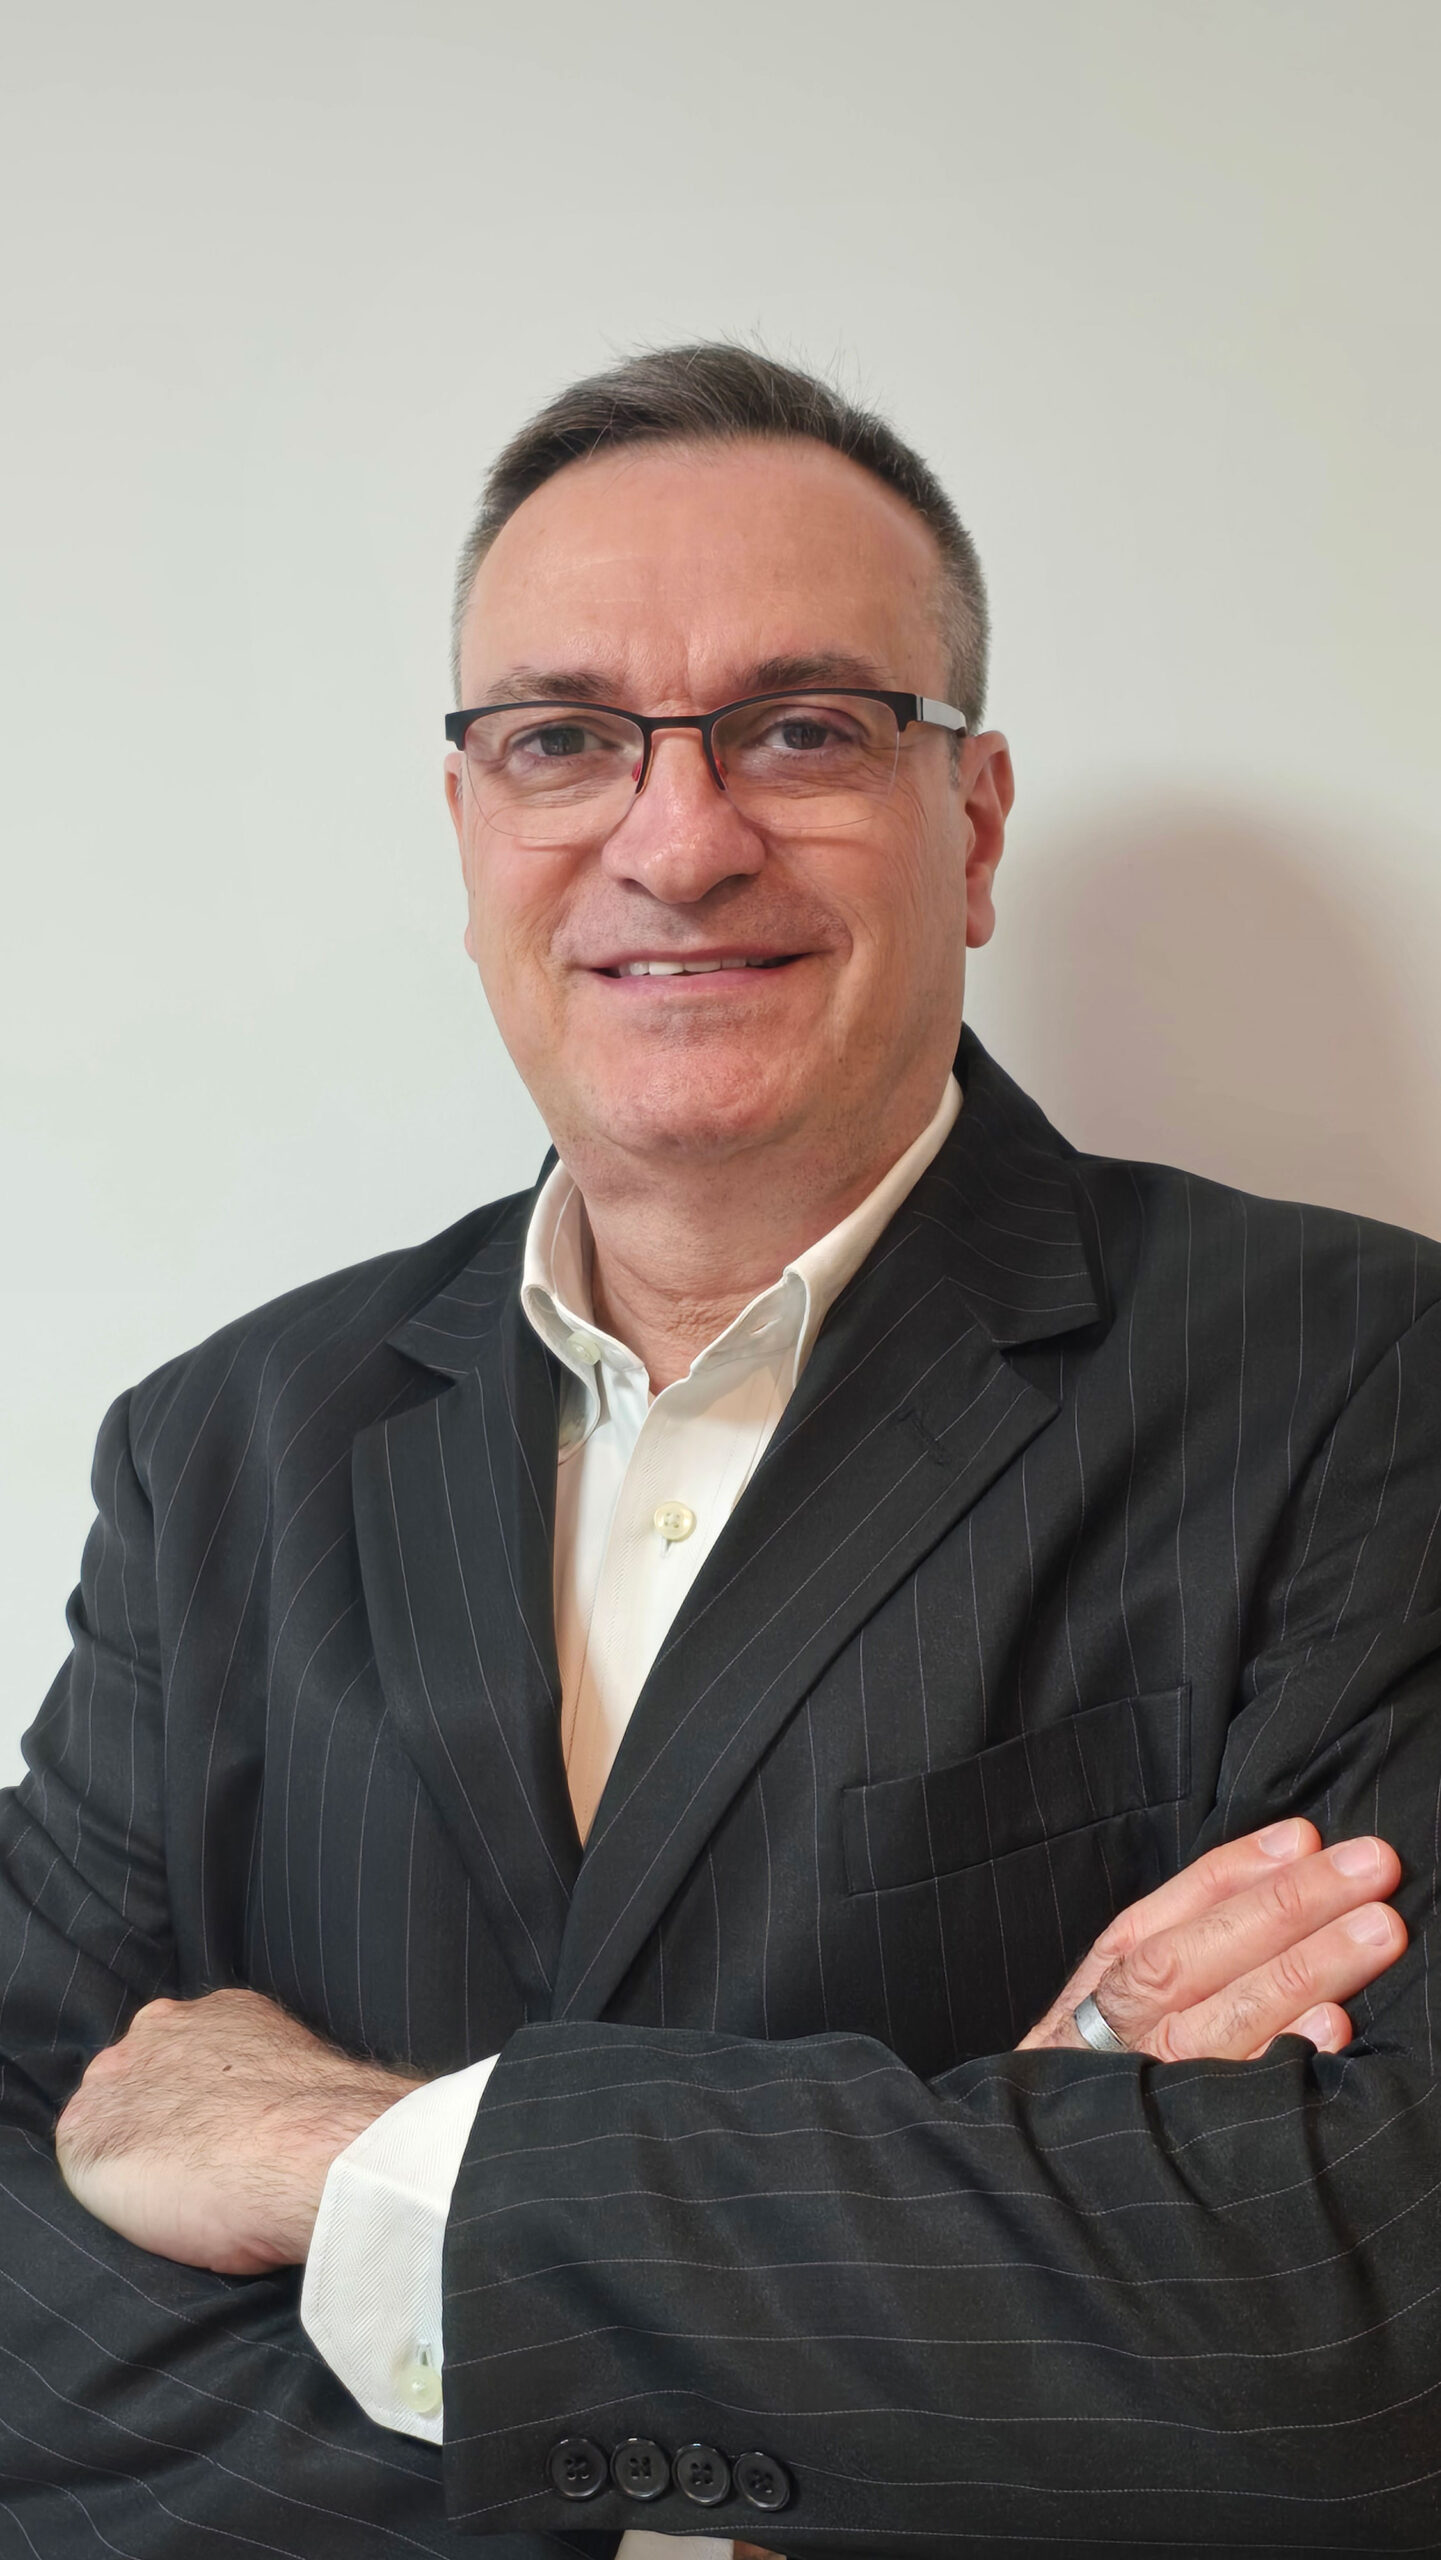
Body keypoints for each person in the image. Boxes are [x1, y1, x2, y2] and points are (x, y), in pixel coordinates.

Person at [3, 345, 1438, 2559]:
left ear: (972, 824)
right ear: (471, 827)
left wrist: (349, 2167)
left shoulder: (1354, 1379)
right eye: (561, 737)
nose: (675, 841)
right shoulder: (221, 1448)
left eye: (801, 728)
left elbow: (1367, 2300)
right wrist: (873, 2356)